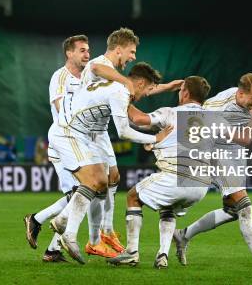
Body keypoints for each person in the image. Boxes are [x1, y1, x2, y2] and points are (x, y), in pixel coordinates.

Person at [49, 62, 173, 264]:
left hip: (83, 135)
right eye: (149, 89)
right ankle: (68, 232)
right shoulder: (119, 92)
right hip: (67, 133)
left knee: (102, 181)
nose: (146, 95)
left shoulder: (117, 86)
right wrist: (155, 139)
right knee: (93, 182)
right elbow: (123, 132)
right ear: (140, 83)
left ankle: (63, 221)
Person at [77, 28, 182, 255]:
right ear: (118, 49)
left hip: (98, 131)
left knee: (111, 178)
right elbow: (97, 69)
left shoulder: (116, 78)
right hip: (84, 132)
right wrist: (154, 139)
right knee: (89, 186)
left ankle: (106, 231)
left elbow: (135, 90)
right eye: (132, 51)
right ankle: (66, 236)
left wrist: (166, 87)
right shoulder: (101, 64)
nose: (133, 56)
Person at [173, 73, 252, 270]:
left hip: (236, 152)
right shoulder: (218, 107)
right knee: (245, 205)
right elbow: (245, 137)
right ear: (241, 93)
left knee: (232, 211)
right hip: (215, 150)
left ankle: (183, 235)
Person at [106, 76, 213, 269]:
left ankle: (131, 252)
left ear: (186, 93)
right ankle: (162, 254)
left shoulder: (170, 113)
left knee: (132, 197)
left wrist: (122, 98)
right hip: (202, 185)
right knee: (168, 207)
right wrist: (158, 142)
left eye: (180, 90)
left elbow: (138, 119)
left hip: (177, 177)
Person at [23, 35, 90, 262]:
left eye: (88, 50)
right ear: (69, 53)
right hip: (63, 144)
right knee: (79, 195)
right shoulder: (60, 77)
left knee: (81, 196)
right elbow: (61, 108)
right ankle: (37, 222)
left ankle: (51, 246)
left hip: (80, 143)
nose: (87, 54)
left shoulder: (87, 77)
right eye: (82, 50)